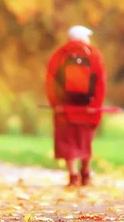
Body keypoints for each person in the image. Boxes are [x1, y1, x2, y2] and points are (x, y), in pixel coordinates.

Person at [45, 25, 106, 187]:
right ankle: (85, 173)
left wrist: (55, 104)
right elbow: (100, 83)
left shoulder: (58, 55)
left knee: (67, 141)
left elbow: (51, 82)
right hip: (88, 109)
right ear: (84, 38)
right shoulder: (94, 55)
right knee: (85, 140)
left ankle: (73, 176)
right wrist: (95, 104)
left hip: (65, 108)